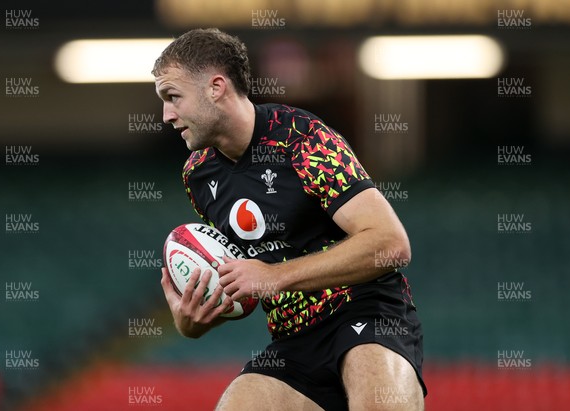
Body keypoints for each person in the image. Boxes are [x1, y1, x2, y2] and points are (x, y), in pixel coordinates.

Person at [153, 28, 426, 411]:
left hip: (369, 315)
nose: (166, 115)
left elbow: (390, 243)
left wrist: (273, 276)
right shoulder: (197, 176)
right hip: (292, 341)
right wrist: (194, 320)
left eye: (173, 97)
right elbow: (241, 280)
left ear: (216, 87)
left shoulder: (302, 138)